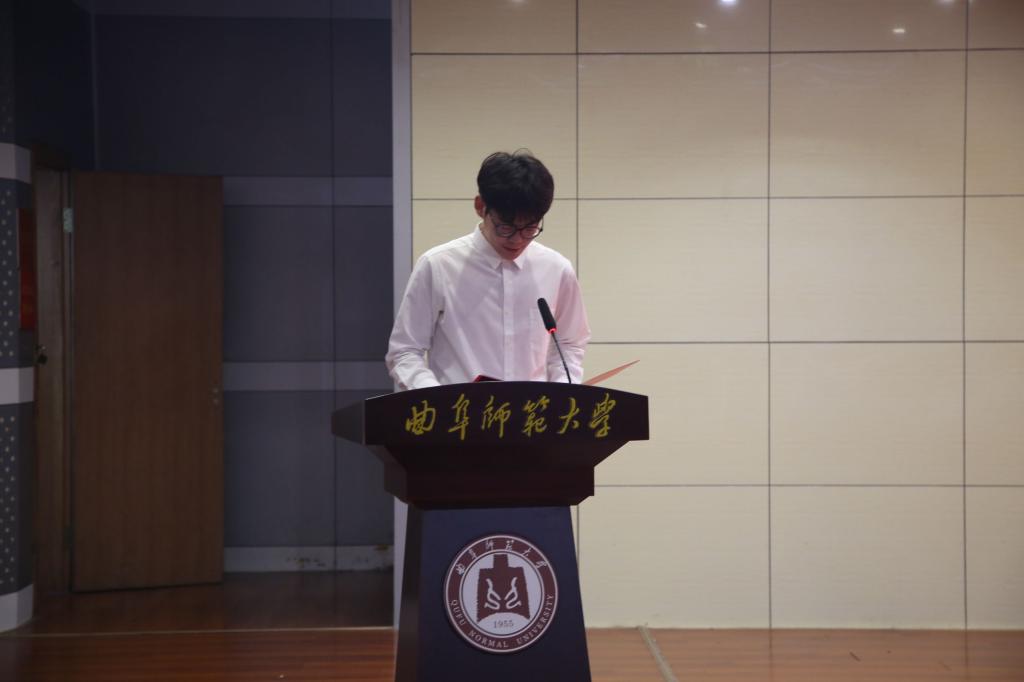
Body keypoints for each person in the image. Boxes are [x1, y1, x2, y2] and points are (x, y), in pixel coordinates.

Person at [386, 150, 590, 390]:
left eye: (530, 228)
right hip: (459, 411)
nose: (517, 240)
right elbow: (405, 351)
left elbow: (569, 344)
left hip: (532, 412)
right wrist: (438, 398)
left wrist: (562, 392)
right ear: (480, 206)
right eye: (506, 227)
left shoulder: (556, 269)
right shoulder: (438, 265)